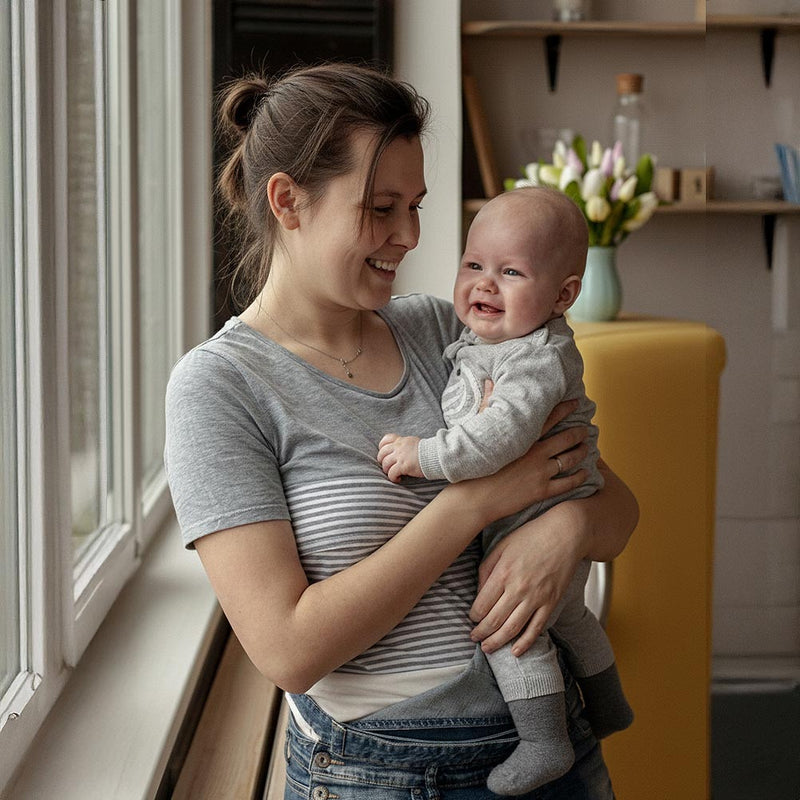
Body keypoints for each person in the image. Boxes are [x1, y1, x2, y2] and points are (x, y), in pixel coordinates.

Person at [164, 62, 638, 800]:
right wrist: (474, 503)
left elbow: (619, 512)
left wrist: (565, 529)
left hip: (557, 748)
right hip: (384, 774)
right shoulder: (220, 388)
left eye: (414, 206)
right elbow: (289, 651)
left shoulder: (448, 332)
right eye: (381, 208)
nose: (411, 236)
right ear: (288, 201)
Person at [377, 186, 633, 795]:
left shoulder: (534, 359)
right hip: (546, 509)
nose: (485, 284)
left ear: (562, 296)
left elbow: (499, 439)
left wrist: (424, 455)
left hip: (538, 515)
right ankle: (607, 701)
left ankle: (544, 741)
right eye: (474, 264)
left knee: (510, 629)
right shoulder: (484, 338)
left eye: (511, 272)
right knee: (567, 613)